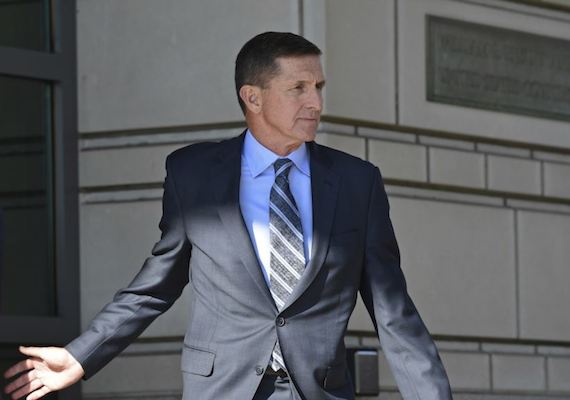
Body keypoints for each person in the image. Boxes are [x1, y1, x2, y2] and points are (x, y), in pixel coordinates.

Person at [4, 31, 452, 400]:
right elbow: (156, 285)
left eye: (318, 87)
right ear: (252, 97)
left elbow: (394, 312)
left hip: (318, 390)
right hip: (223, 389)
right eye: (298, 88)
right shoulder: (193, 173)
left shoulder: (357, 182)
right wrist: (82, 354)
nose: (315, 102)